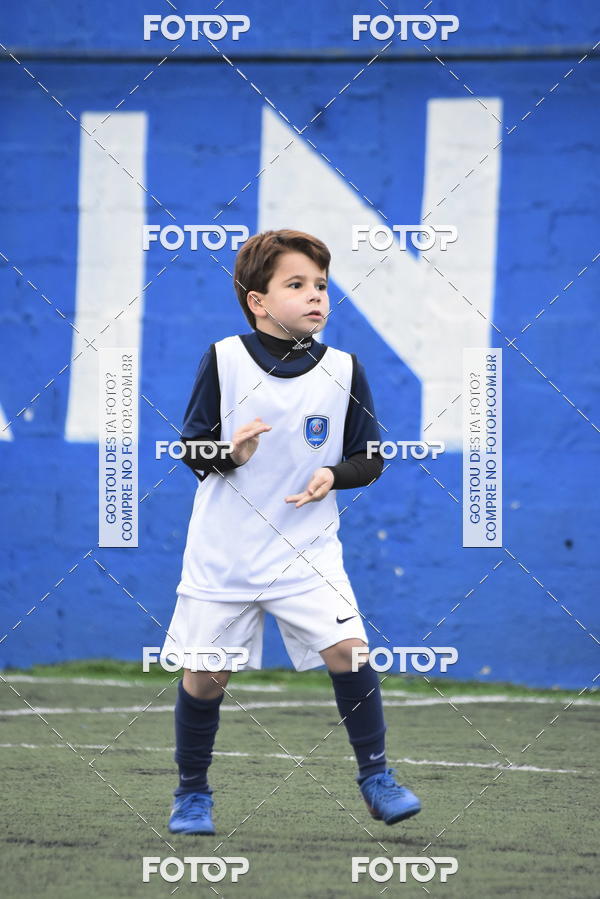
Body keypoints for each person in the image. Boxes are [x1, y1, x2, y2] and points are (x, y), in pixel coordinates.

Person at [161, 228, 421, 834]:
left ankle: (377, 777)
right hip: (224, 553)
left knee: (349, 651)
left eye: (322, 285)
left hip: (306, 550)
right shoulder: (223, 358)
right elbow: (192, 450)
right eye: (296, 284)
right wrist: (233, 453)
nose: (315, 296)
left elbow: (371, 457)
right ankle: (192, 794)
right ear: (258, 300)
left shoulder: (345, 369)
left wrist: (334, 474)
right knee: (204, 677)